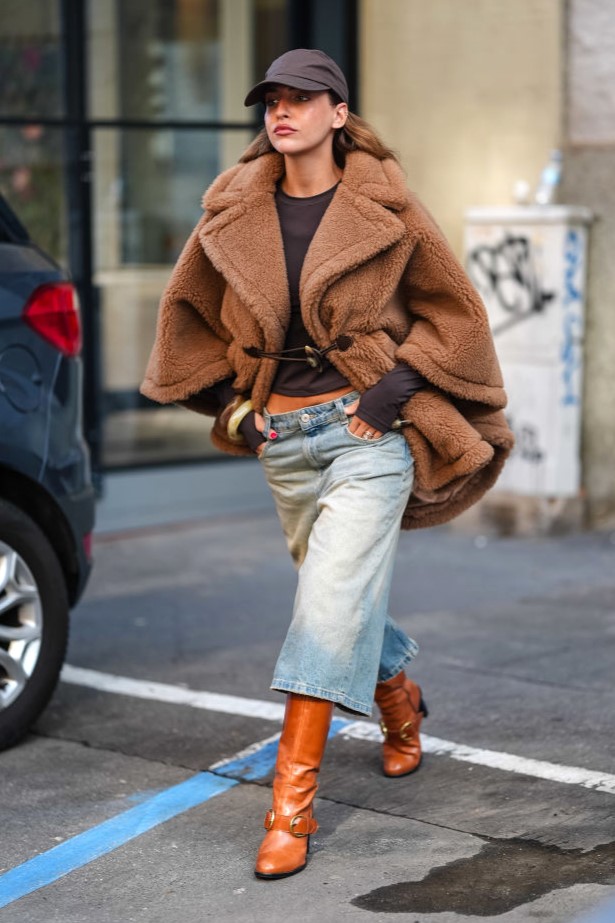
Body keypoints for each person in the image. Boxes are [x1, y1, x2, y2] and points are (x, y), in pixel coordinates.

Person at [141, 49, 513, 880]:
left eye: (301, 99)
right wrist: (236, 411)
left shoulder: (387, 204)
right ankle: (398, 702)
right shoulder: (233, 208)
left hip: (365, 435)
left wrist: (385, 400)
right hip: (284, 440)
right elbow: (187, 315)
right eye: (271, 100)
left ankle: (290, 809)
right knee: (333, 596)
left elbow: (457, 314)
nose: (282, 112)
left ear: (337, 113)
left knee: (322, 611)